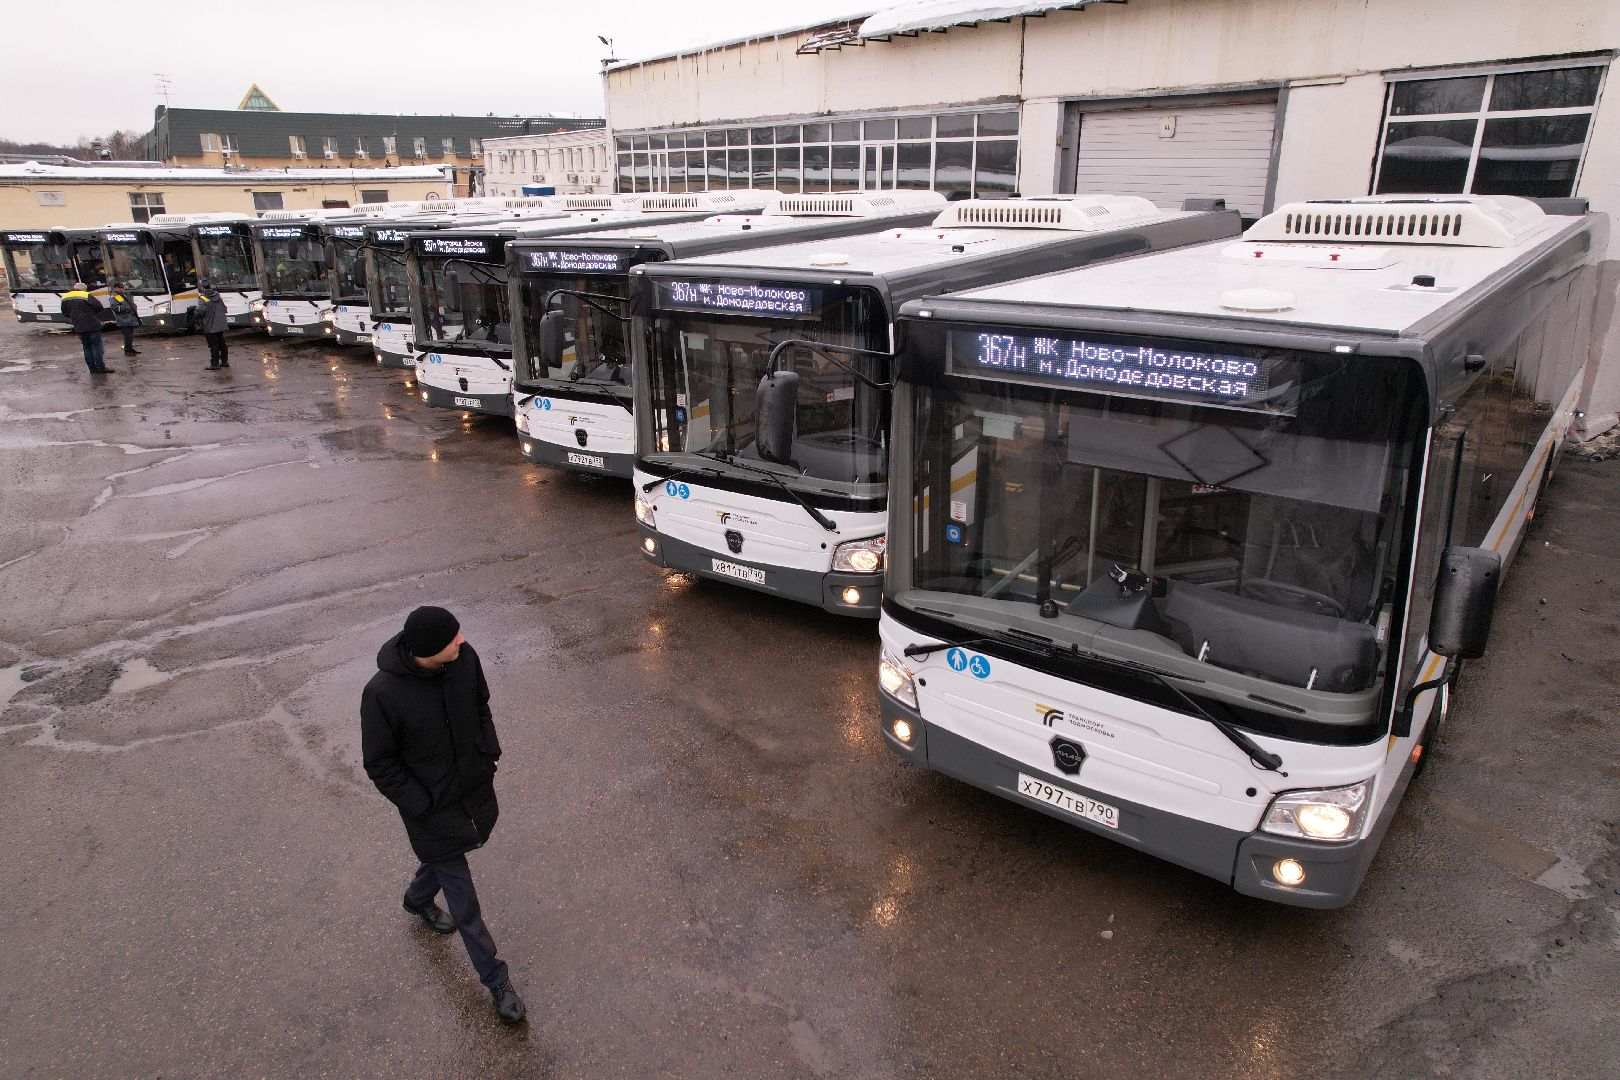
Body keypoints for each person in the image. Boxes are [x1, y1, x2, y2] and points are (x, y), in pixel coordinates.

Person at [360, 607, 525, 1024]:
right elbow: (380, 764)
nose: (462, 640)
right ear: (430, 651)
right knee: (463, 899)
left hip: (470, 790)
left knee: (448, 853)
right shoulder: (381, 694)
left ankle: (416, 900)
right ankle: (496, 980)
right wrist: (420, 803)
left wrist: (489, 753)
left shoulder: (464, 660)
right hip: (430, 810)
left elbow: (481, 706)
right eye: (452, 638)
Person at [59, 282, 110, 374]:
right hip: (93, 324)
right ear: (84, 289)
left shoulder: (65, 297)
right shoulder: (85, 295)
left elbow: (65, 312)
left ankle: (92, 369)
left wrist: (75, 317)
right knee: (96, 346)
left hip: (79, 326)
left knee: (86, 347)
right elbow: (99, 307)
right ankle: (100, 367)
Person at [194, 281, 229, 369]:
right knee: (221, 343)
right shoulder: (218, 296)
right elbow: (224, 309)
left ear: (202, 288)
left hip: (210, 325)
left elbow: (200, 312)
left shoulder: (203, 298)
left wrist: (195, 312)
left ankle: (215, 364)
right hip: (221, 324)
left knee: (213, 345)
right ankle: (224, 362)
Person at [109, 284, 140, 356]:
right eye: (121, 288)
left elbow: (131, 304)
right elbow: (115, 308)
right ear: (116, 288)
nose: (123, 289)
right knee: (127, 336)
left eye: (123, 287)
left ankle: (130, 348)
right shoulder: (114, 296)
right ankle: (127, 350)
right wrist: (125, 307)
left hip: (129, 318)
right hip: (123, 319)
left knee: (130, 336)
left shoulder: (124, 295)